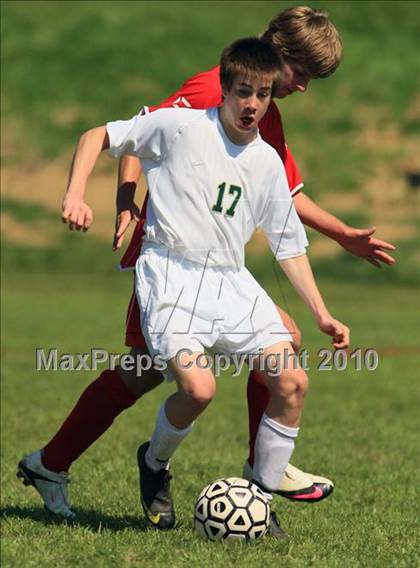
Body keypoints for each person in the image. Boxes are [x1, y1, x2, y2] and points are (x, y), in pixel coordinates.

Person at [17, 6, 395, 520]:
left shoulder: (264, 118)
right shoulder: (208, 92)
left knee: (193, 364)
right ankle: (85, 462)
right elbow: (139, 133)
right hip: (171, 256)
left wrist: (342, 234)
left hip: (217, 266)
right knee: (154, 374)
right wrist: (125, 197)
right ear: (275, 55)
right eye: (302, 73)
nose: (304, 87)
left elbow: (282, 196)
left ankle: (259, 470)